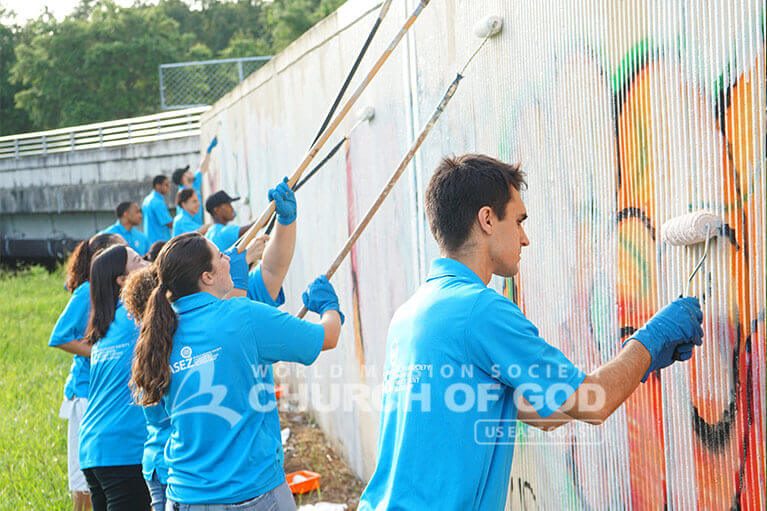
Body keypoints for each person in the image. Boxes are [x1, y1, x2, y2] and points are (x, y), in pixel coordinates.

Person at [357, 154, 704, 511]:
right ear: (487, 219)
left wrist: (638, 366)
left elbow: (546, 414)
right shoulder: (479, 311)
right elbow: (591, 403)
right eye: (519, 221)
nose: (525, 239)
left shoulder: (412, 313)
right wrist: (650, 339)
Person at [128, 231, 343, 509]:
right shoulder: (243, 316)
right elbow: (328, 337)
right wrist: (329, 307)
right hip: (253, 494)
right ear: (206, 276)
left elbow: (158, 416)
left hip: (186, 496)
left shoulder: (158, 335)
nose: (228, 258)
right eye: (220, 256)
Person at [49, 233, 127, 511]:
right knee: (84, 479)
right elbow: (59, 336)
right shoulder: (88, 290)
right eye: (123, 250)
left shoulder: (115, 292)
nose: (129, 254)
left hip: (102, 390)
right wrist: (101, 354)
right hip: (85, 391)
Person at [78, 245, 151, 510]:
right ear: (122, 280)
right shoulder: (135, 318)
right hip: (122, 447)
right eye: (138, 260)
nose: (147, 263)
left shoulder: (105, 328)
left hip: (93, 448)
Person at [171, 136, 217, 225]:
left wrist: (208, 151)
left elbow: (202, 168)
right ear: (183, 177)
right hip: (190, 227)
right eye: (187, 172)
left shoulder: (194, 184)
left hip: (198, 225)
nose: (190, 172)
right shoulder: (183, 194)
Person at [142, 175, 173, 245]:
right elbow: (169, 223)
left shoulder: (147, 199)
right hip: (160, 241)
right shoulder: (157, 202)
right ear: (158, 186)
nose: (169, 187)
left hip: (150, 241)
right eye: (166, 185)